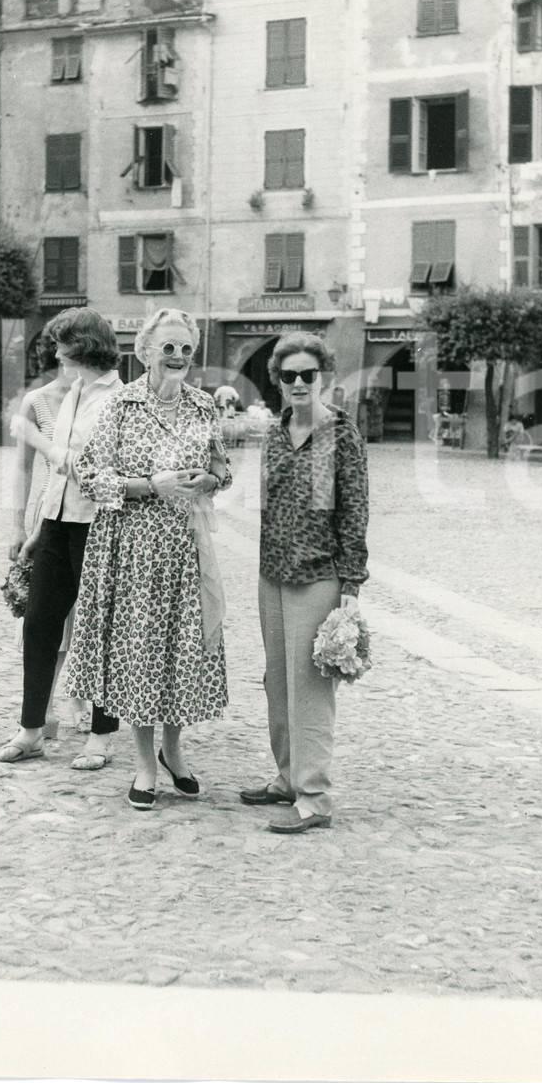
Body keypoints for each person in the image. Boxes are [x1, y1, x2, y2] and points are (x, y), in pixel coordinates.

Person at [64, 309, 231, 810]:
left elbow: (222, 466)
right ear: (146, 351)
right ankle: (142, 766)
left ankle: (172, 751)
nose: (177, 356)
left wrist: (212, 479)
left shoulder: (204, 407)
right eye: (168, 347)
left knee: (182, 652)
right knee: (138, 655)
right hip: (132, 549)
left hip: (185, 547)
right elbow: (88, 474)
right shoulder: (122, 405)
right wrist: (145, 486)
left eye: (185, 348)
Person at [240, 331, 369, 834]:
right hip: (271, 573)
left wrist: (351, 585)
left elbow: (354, 510)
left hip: (319, 575)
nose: (297, 383)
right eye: (288, 374)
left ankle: (314, 796)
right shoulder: (275, 432)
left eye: (307, 375)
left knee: (310, 688)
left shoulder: (342, 434)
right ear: (277, 380)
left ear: (323, 378)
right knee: (278, 681)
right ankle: (286, 776)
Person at [0, 308, 122, 766]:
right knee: (39, 626)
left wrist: (35, 436)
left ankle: (101, 738)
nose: (55, 354)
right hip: (59, 523)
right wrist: (39, 529)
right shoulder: (75, 394)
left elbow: (86, 469)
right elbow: (58, 479)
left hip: (99, 526)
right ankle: (31, 730)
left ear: (82, 346)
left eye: (61, 345)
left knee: (98, 632)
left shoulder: (118, 401)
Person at [5, 320, 88, 736]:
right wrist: (18, 525)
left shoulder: (103, 397)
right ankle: (46, 705)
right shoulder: (37, 401)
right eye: (65, 345)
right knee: (46, 614)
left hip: (93, 513)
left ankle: (82, 699)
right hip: (50, 513)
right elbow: (21, 468)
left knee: (88, 615)